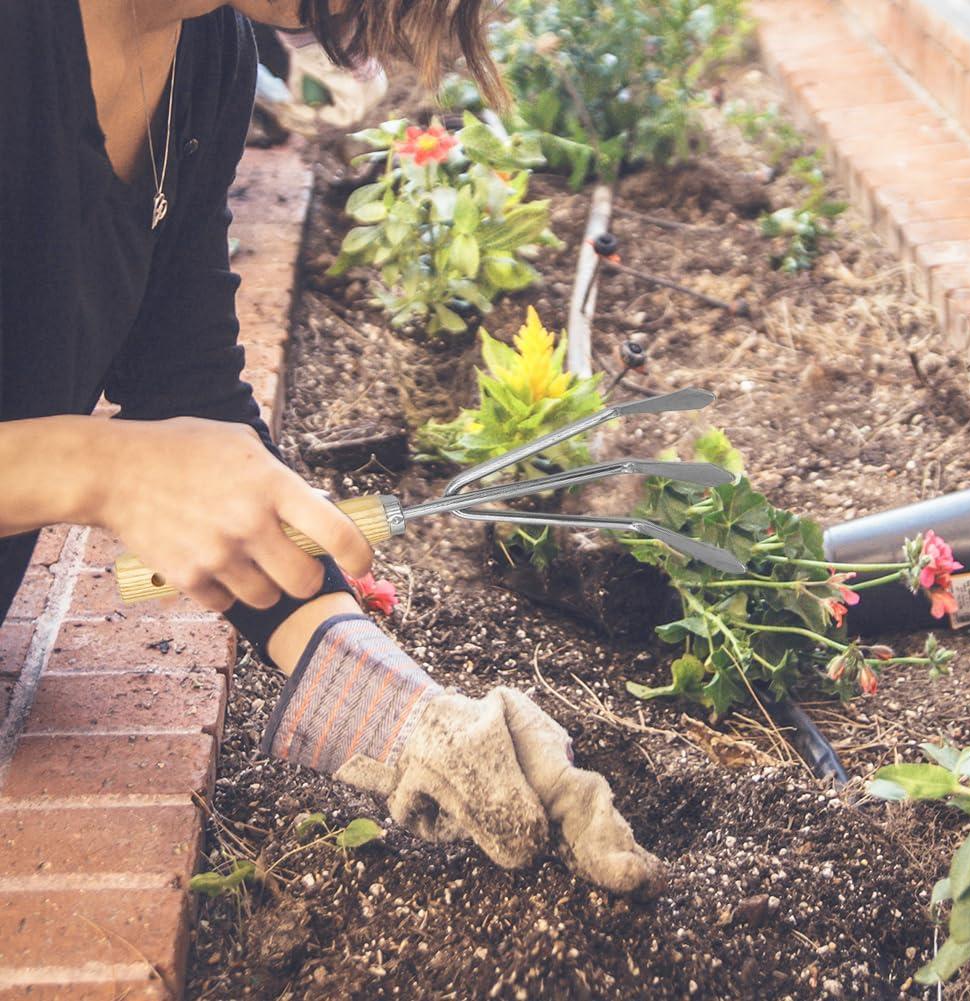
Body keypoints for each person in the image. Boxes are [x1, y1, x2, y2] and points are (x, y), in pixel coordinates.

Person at [0, 0, 667, 899]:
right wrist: (102, 468)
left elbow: (191, 392)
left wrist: (410, 715)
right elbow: (140, 452)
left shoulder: (205, 54)